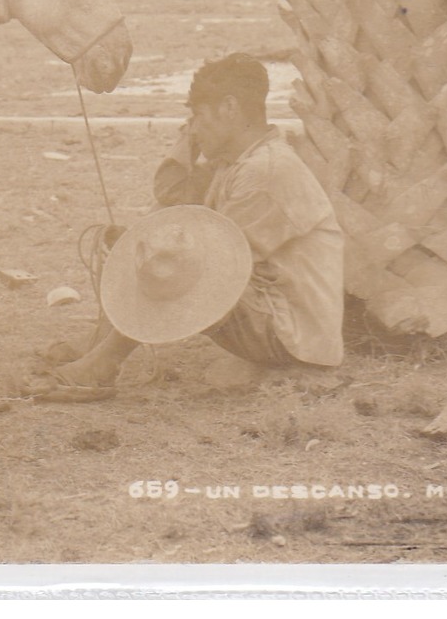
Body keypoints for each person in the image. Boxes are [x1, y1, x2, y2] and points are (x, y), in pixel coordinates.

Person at [47, 52, 345, 391]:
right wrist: (190, 142)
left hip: (293, 331)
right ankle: (98, 348)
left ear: (229, 109)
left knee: (172, 265)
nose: (193, 127)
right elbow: (171, 193)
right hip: (271, 310)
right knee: (148, 239)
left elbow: (206, 264)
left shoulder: (266, 171)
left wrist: (150, 248)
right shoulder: (236, 161)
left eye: (198, 117)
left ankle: (103, 363)